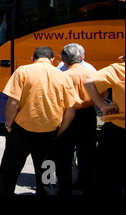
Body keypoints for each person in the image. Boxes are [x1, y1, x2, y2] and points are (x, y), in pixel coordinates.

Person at [0, 46, 81, 196]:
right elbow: (71, 110)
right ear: (52, 60)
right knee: (46, 176)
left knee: (9, 171)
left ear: (33, 59)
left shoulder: (23, 71)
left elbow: (13, 103)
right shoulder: (64, 77)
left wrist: (9, 125)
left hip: (21, 131)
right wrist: (59, 131)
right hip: (49, 135)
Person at [55, 44, 99, 195]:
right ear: (80, 58)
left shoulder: (61, 76)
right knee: (88, 154)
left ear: (64, 61)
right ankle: (89, 189)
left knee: (64, 156)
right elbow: (103, 94)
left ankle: (65, 190)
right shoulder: (91, 73)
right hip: (88, 115)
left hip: (67, 115)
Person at [83, 55, 125, 195]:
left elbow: (88, 82)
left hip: (118, 129)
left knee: (109, 177)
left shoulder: (118, 69)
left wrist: (102, 106)